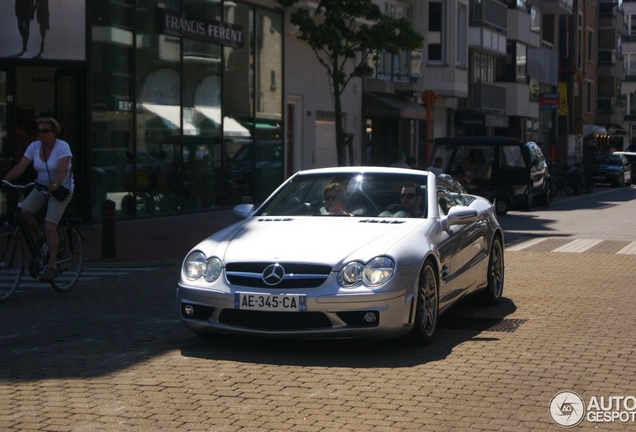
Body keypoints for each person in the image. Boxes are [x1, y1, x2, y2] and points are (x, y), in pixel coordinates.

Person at [2, 117, 74, 282]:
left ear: (54, 132)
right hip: (41, 187)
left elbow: (62, 170)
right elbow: (20, 166)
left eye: (45, 131)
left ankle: (52, 266)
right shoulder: (34, 146)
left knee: (49, 226)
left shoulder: (62, 147)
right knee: (24, 212)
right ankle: (38, 238)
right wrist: (5, 181)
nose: (41, 134)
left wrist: (55, 185)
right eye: (39, 131)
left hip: (60, 190)